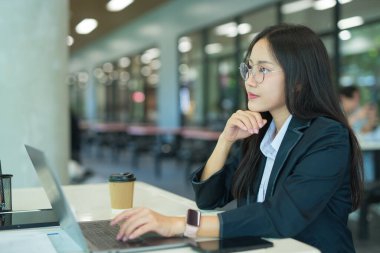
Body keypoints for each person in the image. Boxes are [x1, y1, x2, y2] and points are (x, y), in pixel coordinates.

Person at [111, 24, 363, 253]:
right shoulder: (261, 132)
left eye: (263, 69)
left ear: (298, 80)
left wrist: (180, 224)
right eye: (250, 68)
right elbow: (209, 198)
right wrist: (225, 140)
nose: (250, 81)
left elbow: (280, 217)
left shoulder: (327, 136)